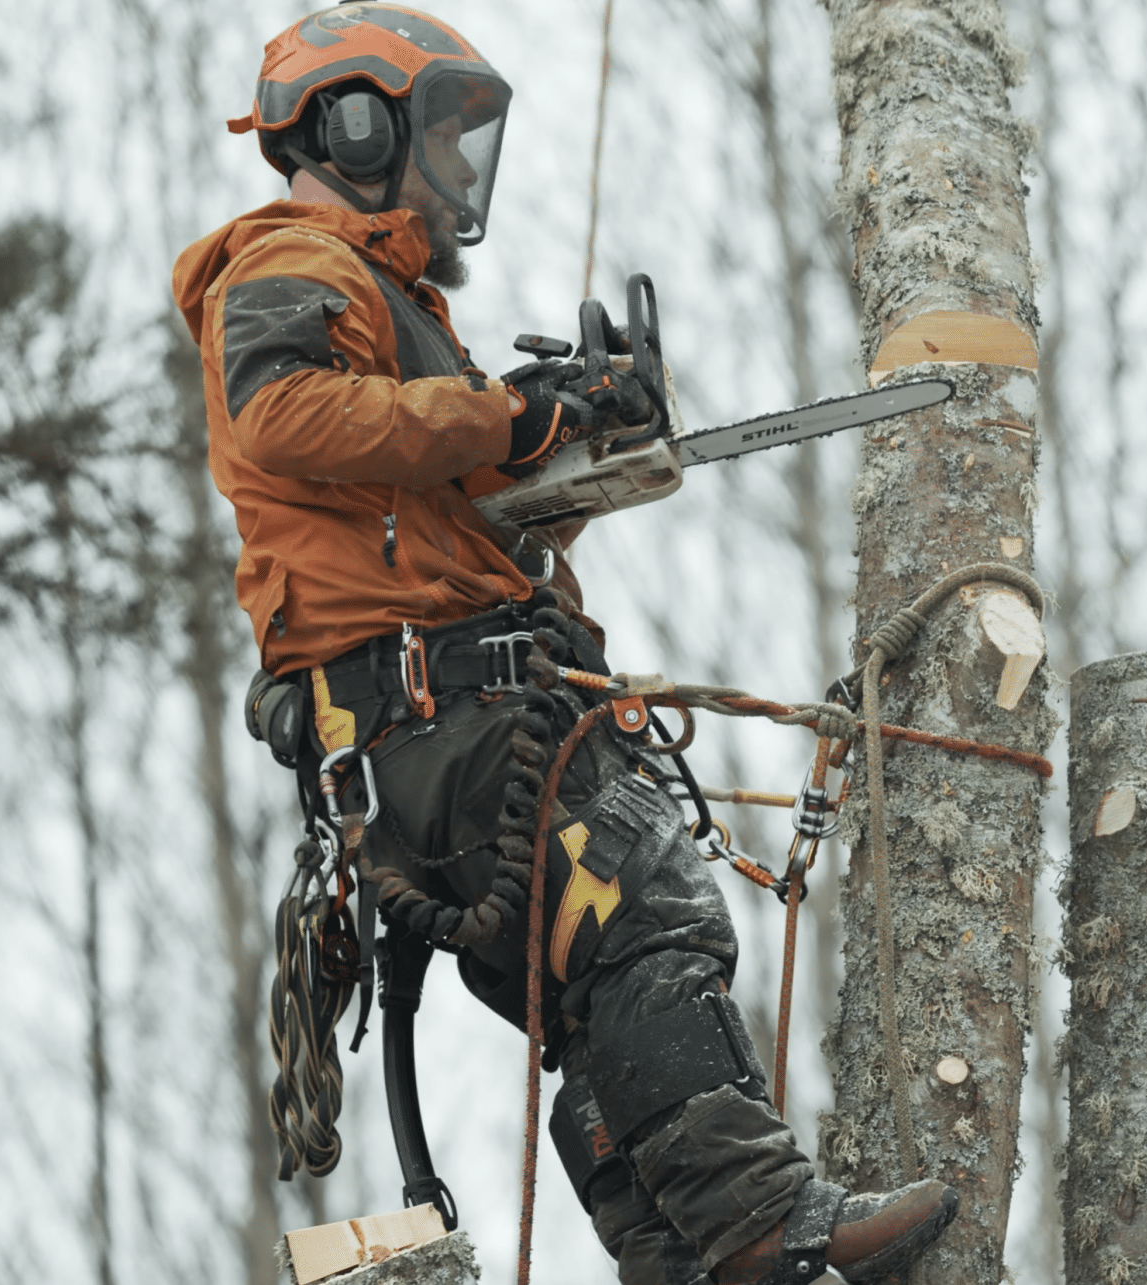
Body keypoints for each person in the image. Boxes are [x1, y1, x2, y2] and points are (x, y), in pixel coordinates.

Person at [168, 6, 957, 1283]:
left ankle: (680, 1258)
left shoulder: (387, 302)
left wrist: (571, 442)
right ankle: (762, 1222)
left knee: (598, 1004)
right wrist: (511, 413)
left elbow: (444, 505)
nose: (450, 168)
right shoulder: (287, 265)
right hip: (438, 724)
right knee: (649, 899)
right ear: (353, 125)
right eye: (434, 135)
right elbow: (285, 417)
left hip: (437, 727)